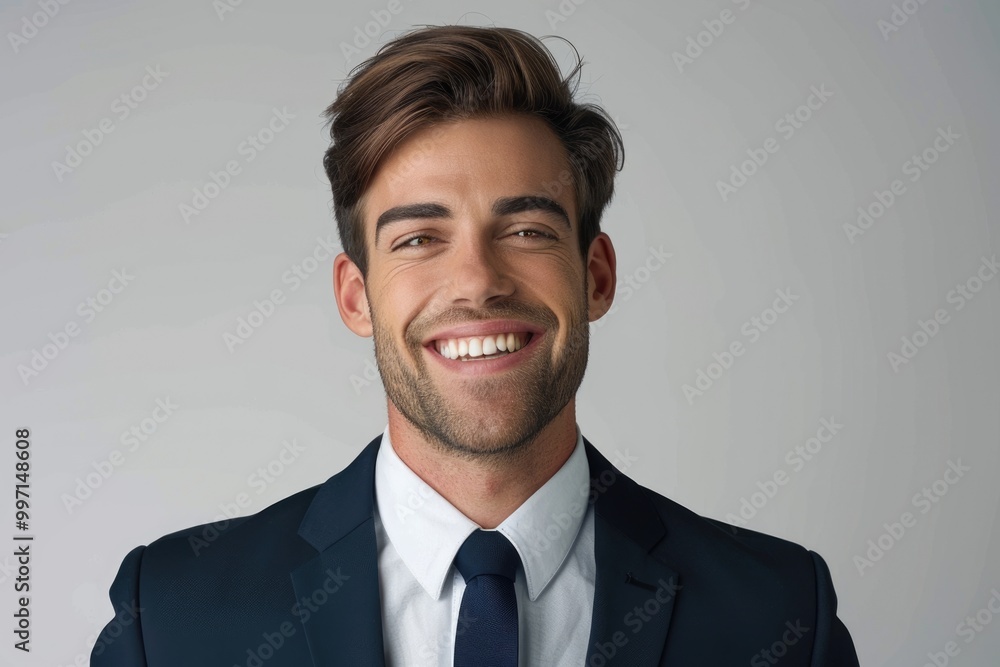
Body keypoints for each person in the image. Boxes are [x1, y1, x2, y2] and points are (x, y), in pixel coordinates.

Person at [91, 25, 860, 666]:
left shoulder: (782, 616)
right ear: (356, 296)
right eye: (421, 237)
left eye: (526, 230)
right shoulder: (170, 618)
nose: (477, 281)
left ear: (595, 276)